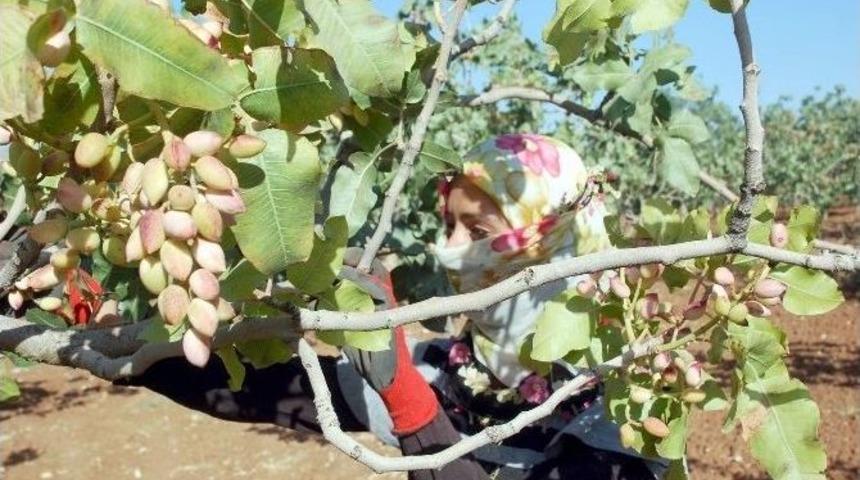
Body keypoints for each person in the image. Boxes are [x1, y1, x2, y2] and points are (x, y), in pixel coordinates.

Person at [120, 134, 664, 479]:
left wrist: (407, 399)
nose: (451, 248)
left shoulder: (624, 409)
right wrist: (123, 352)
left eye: (478, 231)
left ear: (555, 243)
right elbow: (265, 390)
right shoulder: (453, 370)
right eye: (449, 224)